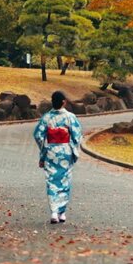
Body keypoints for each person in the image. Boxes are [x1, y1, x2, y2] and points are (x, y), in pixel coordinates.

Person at [33, 91, 84, 224]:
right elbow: (77, 135)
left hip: (51, 153)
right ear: (63, 102)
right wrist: (72, 147)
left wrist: (44, 149)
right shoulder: (70, 117)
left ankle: (54, 212)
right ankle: (62, 212)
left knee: (52, 181)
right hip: (66, 152)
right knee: (65, 180)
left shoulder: (46, 117)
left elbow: (38, 135)